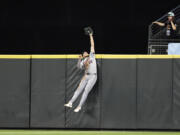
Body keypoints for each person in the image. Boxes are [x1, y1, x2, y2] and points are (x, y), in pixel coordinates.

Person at [64, 28, 97, 113]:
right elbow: (79, 67)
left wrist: (90, 35)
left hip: (93, 76)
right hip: (86, 75)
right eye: (84, 52)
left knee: (86, 91)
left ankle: (79, 106)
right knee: (79, 89)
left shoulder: (91, 55)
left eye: (86, 52)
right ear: (83, 55)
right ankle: (70, 102)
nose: (85, 52)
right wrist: (79, 59)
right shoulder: (82, 61)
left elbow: (92, 45)